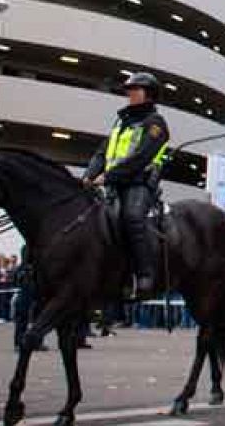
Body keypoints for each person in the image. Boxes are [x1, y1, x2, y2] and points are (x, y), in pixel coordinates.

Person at [82, 72, 170, 294]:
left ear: (148, 95)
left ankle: (144, 274)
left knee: (131, 218)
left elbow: (141, 157)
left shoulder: (155, 124)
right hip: (114, 184)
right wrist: (89, 175)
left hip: (139, 183)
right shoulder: (121, 122)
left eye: (134, 90)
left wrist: (108, 176)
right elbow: (102, 152)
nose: (129, 94)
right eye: (128, 90)